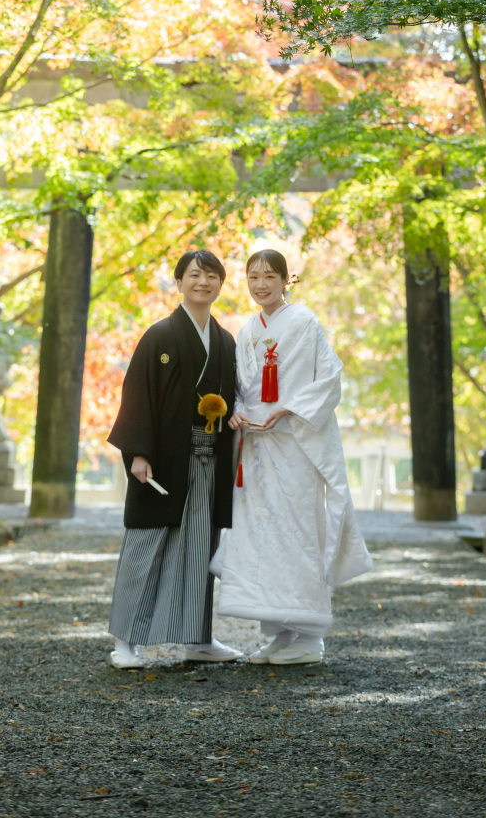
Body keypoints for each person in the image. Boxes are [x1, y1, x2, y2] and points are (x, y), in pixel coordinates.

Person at [212, 249, 373, 665]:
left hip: (296, 443)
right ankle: (280, 633)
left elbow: (329, 377)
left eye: (269, 276)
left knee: (298, 530)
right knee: (263, 535)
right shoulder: (247, 330)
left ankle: (309, 636)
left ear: (287, 280)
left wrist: (289, 408)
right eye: (253, 277)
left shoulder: (303, 322)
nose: (261, 284)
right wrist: (237, 411)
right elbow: (239, 387)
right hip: (259, 445)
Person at [106, 249, 241, 668]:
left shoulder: (224, 340)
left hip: (207, 458)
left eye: (212, 276)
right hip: (163, 457)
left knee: (199, 546)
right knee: (148, 542)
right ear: (179, 282)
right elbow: (138, 396)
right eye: (195, 275)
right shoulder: (160, 335)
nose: (203, 282)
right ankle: (125, 642)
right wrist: (138, 452)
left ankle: (197, 639)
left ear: (220, 284)